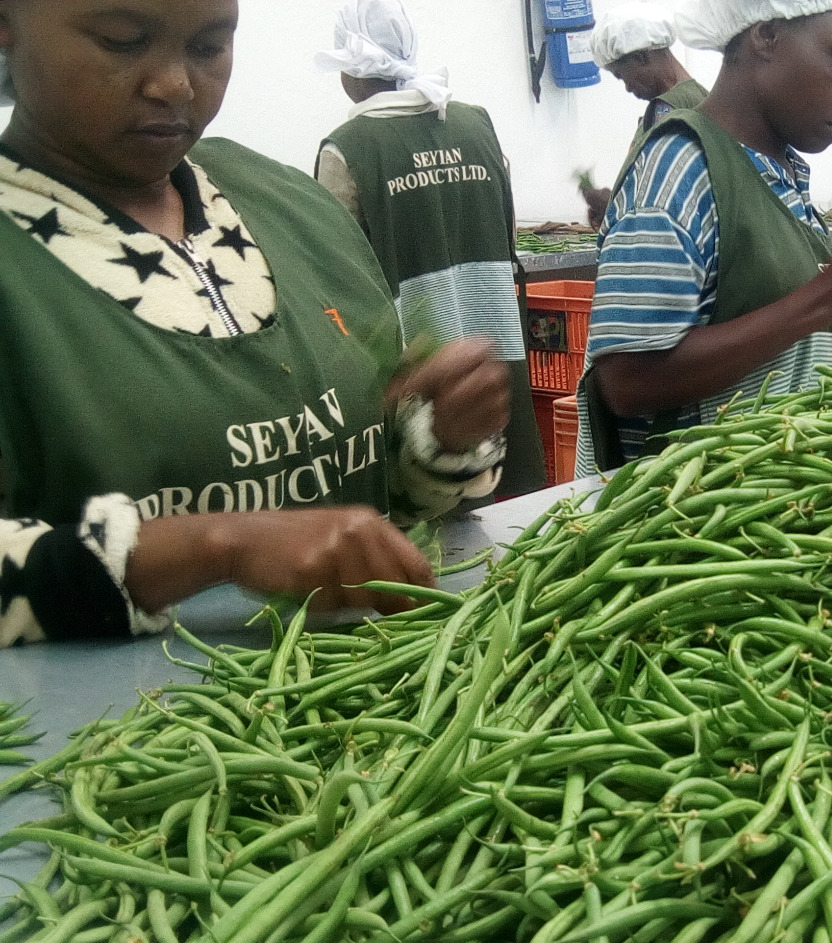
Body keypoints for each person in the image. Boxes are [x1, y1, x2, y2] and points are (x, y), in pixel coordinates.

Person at [0, 0, 509, 644]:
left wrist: (441, 438)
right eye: (121, 40)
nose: (175, 85)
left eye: (209, 45)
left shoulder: (288, 205)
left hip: (366, 688)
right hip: (147, 706)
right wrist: (215, 545)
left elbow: (371, 505)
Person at [575, 0, 832, 476]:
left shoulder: (778, 170)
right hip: (692, 508)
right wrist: (827, 298)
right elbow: (627, 382)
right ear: (767, 34)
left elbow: (767, 311)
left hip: (789, 495)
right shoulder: (680, 171)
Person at [315, 0, 542, 499]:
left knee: (432, 490)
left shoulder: (348, 149)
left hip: (421, 371)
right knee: (509, 511)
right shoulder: (475, 125)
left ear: (351, 68)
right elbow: (507, 237)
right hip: (493, 357)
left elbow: (340, 282)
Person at [581, 2, 709, 226]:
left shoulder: (667, 112)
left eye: (622, 76)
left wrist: (611, 206)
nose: (627, 87)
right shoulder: (701, 97)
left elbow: (658, 204)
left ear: (642, 57)